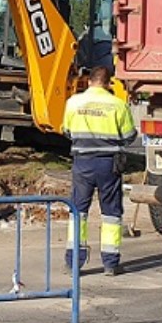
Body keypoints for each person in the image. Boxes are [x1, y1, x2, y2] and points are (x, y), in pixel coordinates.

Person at [60, 66, 136, 276]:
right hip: (108, 164)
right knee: (111, 213)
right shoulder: (117, 105)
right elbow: (129, 135)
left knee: (78, 211)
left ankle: (73, 263)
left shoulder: (73, 102)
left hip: (82, 163)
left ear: (89, 81)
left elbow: (66, 130)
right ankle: (110, 264)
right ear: (109, 82)